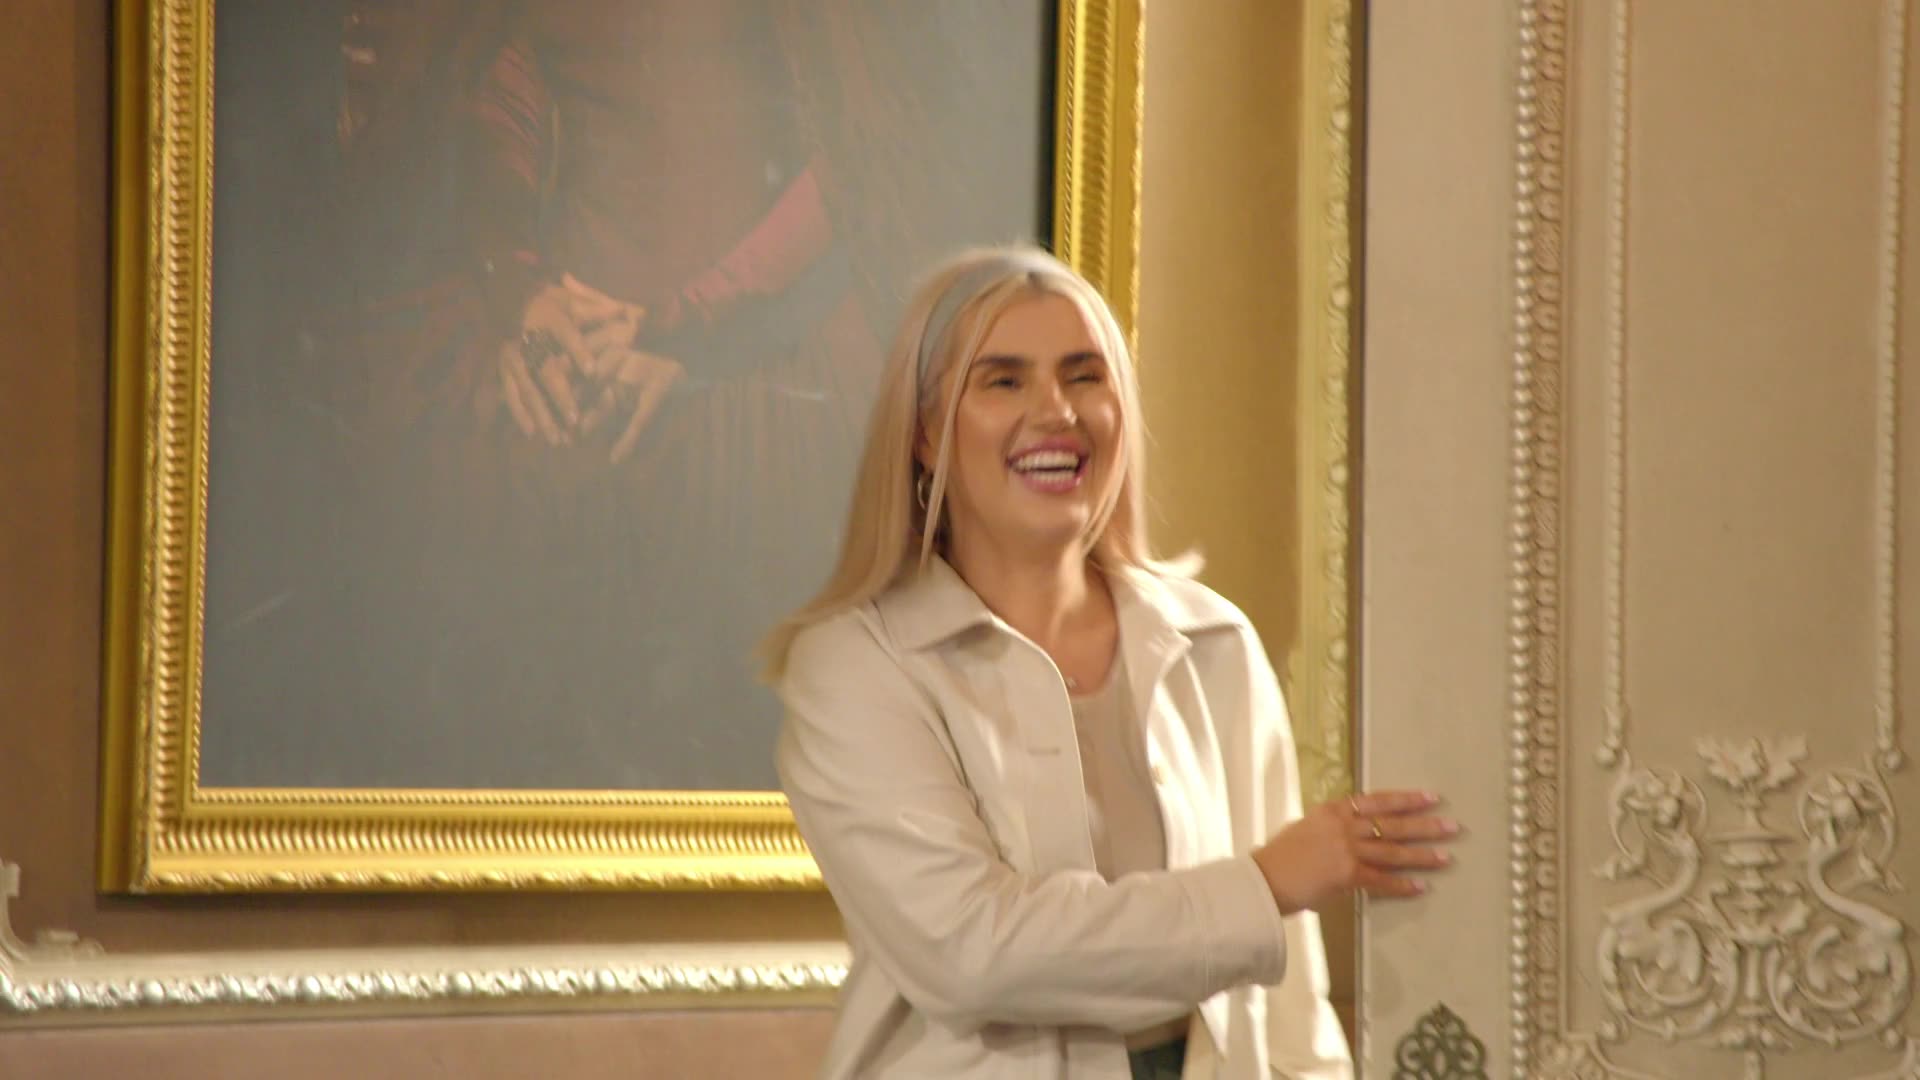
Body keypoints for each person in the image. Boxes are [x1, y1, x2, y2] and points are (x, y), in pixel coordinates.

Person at [761, 247, 1460, 1079]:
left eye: (1084, 375)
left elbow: (1288, 1011)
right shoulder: (855, 668)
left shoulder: (1214, 642)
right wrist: (1266, 885)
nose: (1056, 411)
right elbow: (971, 951)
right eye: (1003, 380)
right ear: (923, 433)